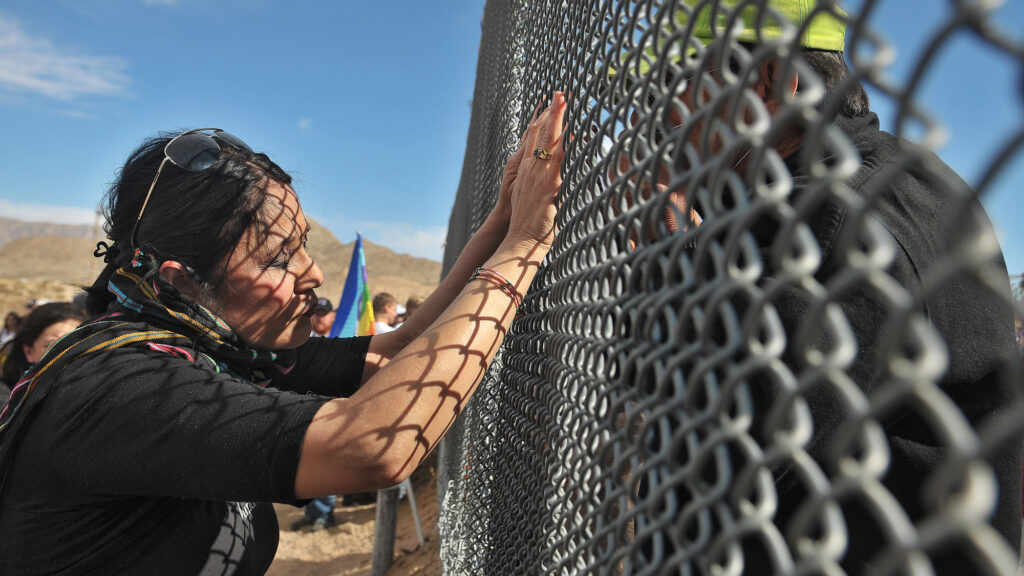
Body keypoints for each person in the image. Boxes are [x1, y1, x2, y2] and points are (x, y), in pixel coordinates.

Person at [0, 91, 566, 574]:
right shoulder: (120, 384)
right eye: (277, 258)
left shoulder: (222, 347)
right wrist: (525, 247)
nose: (314, 275)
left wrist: (501, 221)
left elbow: (398, 351)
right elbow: (375, 446)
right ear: (181, 281)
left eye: (304, 247)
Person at [614, 2, 1021, 573]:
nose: (658, 118)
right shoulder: (874, 183)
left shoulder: (834, 220)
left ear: (770, 82)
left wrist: (663, 242)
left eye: (673, 86)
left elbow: (700, 447)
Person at [0, 303, 85, 399]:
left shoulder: (93, 393)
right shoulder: (8, 399)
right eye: (55, 345)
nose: (69, 352)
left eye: (78, 343)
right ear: (29, 352)